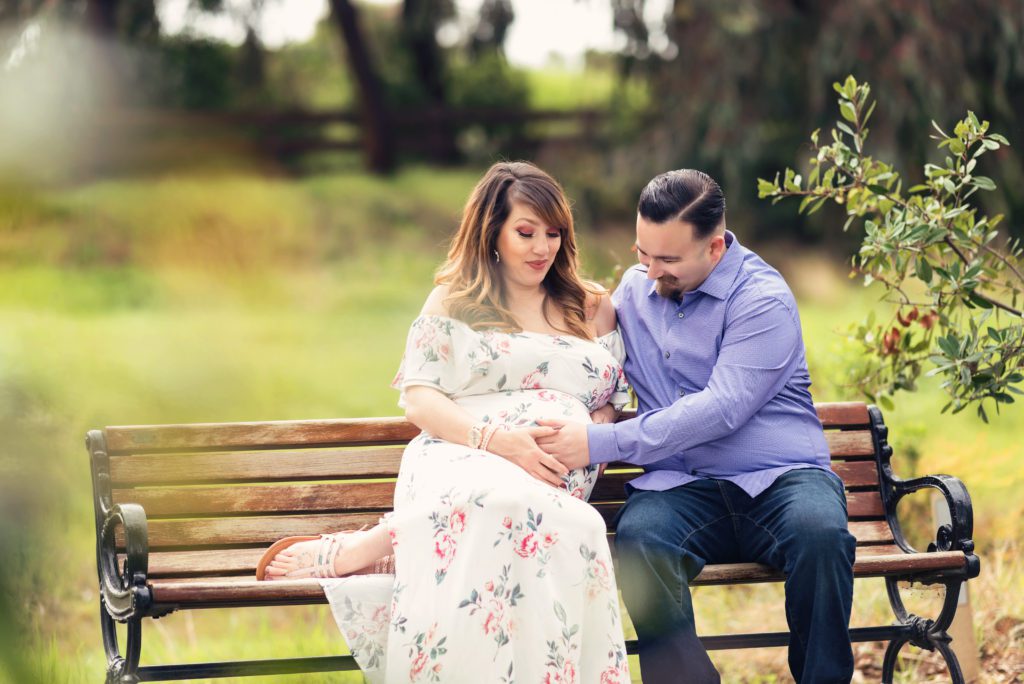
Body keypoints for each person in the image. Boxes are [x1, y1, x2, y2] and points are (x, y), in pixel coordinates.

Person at [257, 161, 632, 684]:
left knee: (561, 518)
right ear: (492, 232)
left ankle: (387, 544)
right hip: (460, 452)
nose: (542, 248)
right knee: (504, 501)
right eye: (525, 233)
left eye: (553, 234)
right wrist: (500, 441)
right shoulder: (455, 301)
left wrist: (589, 438)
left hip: (554, 466)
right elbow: (419, 399)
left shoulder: (590, 306)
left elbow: (612, 400)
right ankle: (384, 544)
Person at [537, 169, 856, 683]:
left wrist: (601, 441)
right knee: (640, 540)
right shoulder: (636, 290)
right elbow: (584, 354)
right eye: (642, 253)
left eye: (668, 260)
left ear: (714, 247)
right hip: (681, 487)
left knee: (821, 534)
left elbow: (722, 408)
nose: (650, 272)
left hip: (780, 479)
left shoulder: (762, 299)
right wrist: (595, 408)